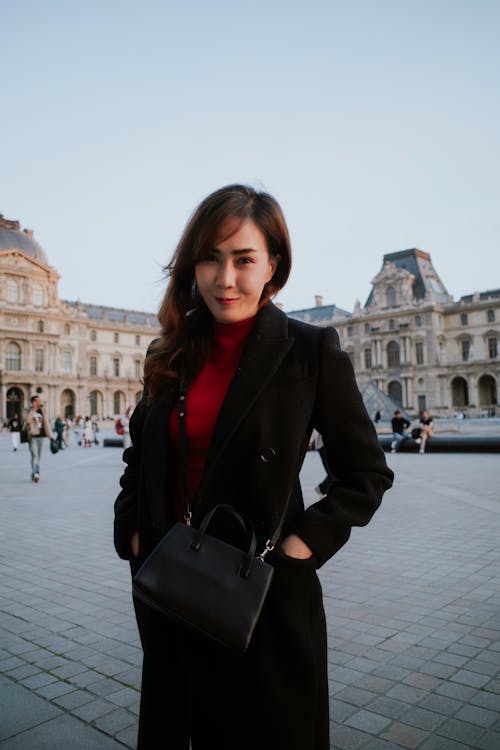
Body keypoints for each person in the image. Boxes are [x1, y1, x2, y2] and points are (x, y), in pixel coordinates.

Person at [113, 184, 393, 750]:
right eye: (210, 258)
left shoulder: (309, 351)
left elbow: (365, 472)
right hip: (173, 588)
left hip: (260, 595)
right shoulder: (170, 351)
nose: (225, 279)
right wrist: (134, 532)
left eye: (243, 260)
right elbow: (139, 456)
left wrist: (301, 548)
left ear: (273, 266)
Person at [23, 395, 54, 482]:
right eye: (36, 401)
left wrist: (51, 436)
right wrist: (33, 409)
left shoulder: (42, 411)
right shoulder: (27, 411)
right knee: (35, 455)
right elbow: (28, 421)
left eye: (39, 400)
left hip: (41, 436)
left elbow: (46, 424)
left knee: (37, 457)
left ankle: (33, 473)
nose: (38, 402)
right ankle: (36, 473)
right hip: (32, 436)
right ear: (32, 402)